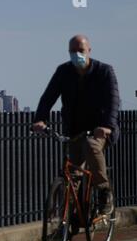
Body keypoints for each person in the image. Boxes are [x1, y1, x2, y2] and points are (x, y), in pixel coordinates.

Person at [32, 35, 120, 216]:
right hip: (74, 130)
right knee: (72, 176)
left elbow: (113, 101)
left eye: (80, 50)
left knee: (91, 146)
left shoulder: (104, 71)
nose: (76, 54)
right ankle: (68, 224)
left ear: (89, 50)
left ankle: (104, 191)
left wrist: (107, 127)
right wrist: (40, 120)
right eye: (73, 51)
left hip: (99, 130)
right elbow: (48, 97)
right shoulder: (63, 71)